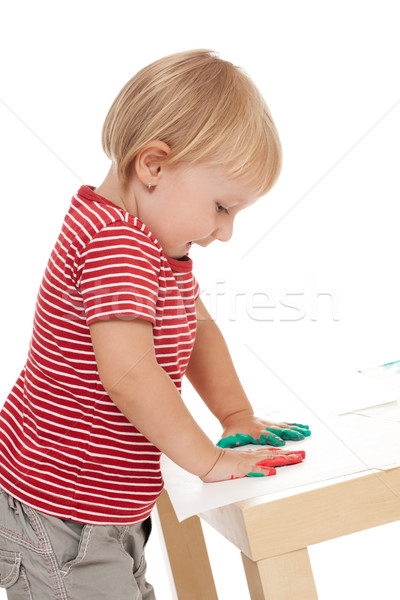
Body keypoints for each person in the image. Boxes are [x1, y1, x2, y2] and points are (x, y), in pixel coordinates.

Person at [0, 50, 310, 599]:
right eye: (221, 207)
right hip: (61, 514)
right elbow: (129, 373)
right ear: (154, 166)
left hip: (103, 508)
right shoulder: (115, 243)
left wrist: (235, 413)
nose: (225, 231)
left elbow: (198, 329)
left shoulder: (156, 247)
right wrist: (207, 459)